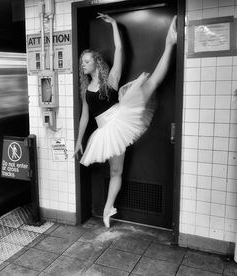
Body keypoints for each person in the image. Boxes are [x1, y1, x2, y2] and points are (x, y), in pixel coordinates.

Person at [74, 14, 177, 228]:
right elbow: (85, 116)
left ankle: (170, 43)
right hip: (105, 131)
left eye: (86, 61)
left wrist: (113, 25)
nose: (82, 65)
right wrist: (78, 141)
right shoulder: (85, 89)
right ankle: (108, 209)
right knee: (115, 171)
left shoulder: (110, 79)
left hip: (121, 119)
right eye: (81, 62)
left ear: (96, 63)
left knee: (153, 82)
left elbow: (119, 50)